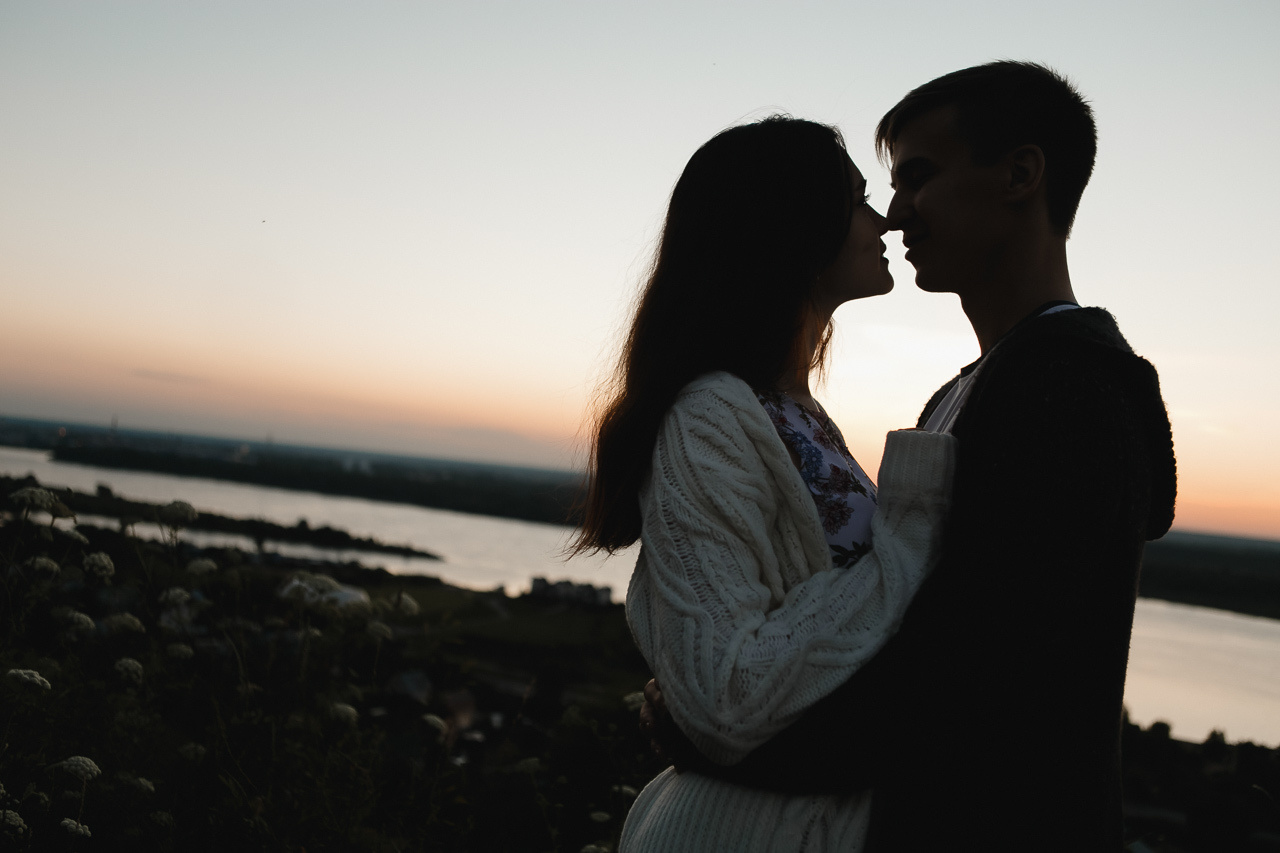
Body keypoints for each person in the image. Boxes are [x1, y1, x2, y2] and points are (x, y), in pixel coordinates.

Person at [646, 62, 1178, 850]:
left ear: (1021, 174)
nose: (894, 215)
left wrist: (718, 742)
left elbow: (971, 689)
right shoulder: (966, 396)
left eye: (918, 177)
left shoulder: (1071, 390)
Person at [572, 116, 958, 851]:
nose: (883, 219)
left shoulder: (795, 411)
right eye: (856, 200)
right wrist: (909, 531)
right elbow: (729, 691)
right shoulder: (711, 413)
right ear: (793, 227)